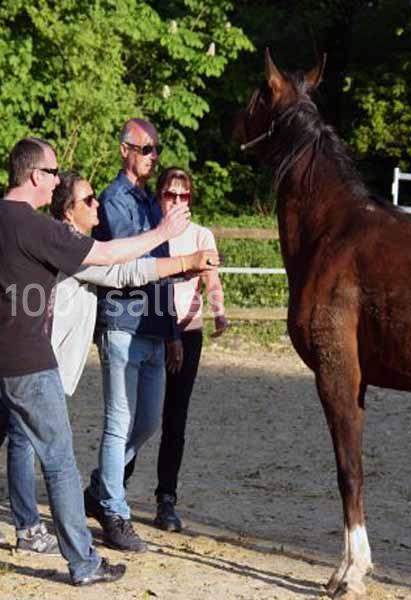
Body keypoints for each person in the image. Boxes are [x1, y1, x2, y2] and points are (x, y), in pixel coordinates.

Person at [0, 137, 191, 585]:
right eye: (54, 173)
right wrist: (163, 234)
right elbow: (108, 256)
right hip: (30, 367)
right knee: (59, 463)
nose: (57, 181)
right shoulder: (38, 228)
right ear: (36, 176)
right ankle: (84, 563)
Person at [0, 171, 218, 554]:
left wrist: (181, 267)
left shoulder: (75, 241)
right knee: (23, 442)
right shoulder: (65, 243)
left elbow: (123, 269)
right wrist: (177, 252)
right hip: (34, 358)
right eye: (88, 200)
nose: (97, 205)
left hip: (38, 358)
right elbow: (120, 269)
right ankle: (34, 530)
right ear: (68, 212)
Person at [84, 118, 180, 552]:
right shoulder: (114, 199)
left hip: (155, 326)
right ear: (125, 149)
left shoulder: (150, 200)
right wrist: (163, 232)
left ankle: (101, 489)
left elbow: (163, 269)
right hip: (123, 322)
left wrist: (173, 330)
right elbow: (128, 260)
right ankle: (115, 512)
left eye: (156, 150)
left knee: (147, 423)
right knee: (119, 422)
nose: (153, 157)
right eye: (146, 149)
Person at [152, 167, 227, 531]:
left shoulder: (201, 235)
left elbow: (211, 279)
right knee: (140, 416)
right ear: (159, 195)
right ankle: (110, 488)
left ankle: (166, 497)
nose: (177, 201)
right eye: (170, 194)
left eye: (184, 196)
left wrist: (219, 311)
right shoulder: (151, 231)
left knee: (175, 418)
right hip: (153, 331)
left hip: (189, 330)